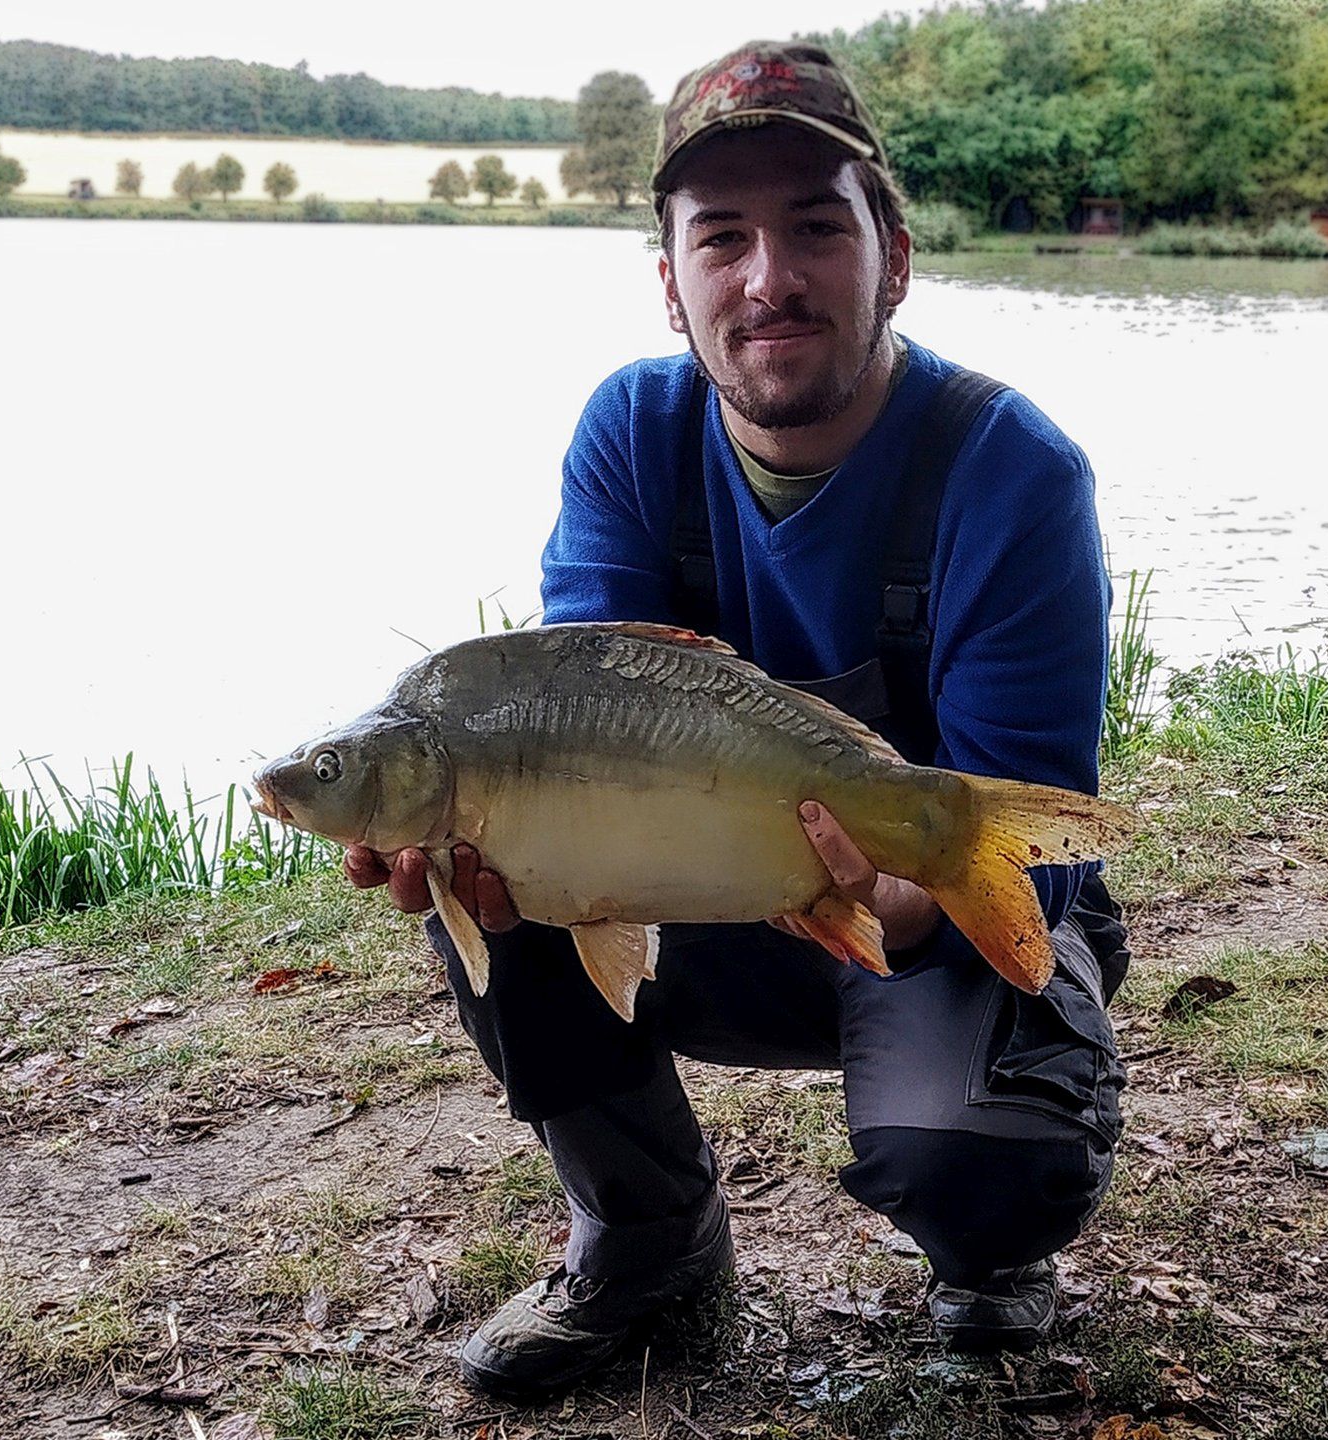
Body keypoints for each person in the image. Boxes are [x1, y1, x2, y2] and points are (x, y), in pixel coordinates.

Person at [344, 40, 1129, 1400]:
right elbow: (567, 715)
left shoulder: (1012, 470)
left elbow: (1031, 823)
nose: (770, 280)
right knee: (482, 888)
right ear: (670, 282)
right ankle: (646, 1244)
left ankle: (990, 1254)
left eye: (817, 227)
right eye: (722, 239)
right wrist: (507, 880)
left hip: (920, 907)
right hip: (703, 897)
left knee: (978, 1151)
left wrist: (890, 895)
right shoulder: (631, 435)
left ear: (894, 253)